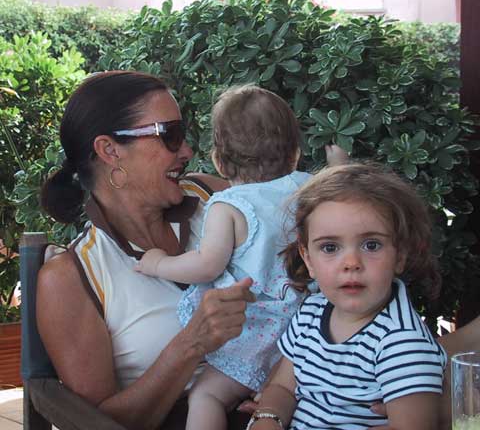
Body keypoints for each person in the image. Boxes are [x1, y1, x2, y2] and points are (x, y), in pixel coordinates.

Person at [37, 70, 255, 430]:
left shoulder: (215, 198)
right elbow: (96, 422)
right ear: (110, 151)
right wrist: (190, 344)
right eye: (170, 135)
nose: (187, 151)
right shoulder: (71, 278)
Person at [136, 85, 346, 430]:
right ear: (294, 153)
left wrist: (158, 263)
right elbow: (346, 193)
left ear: (219, 161)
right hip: (304, 335)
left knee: (206, 395)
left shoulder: (231, 206)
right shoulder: (309, 188)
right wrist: (339, 165)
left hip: (252, 337)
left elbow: (207, 265)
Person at [246, 163, 447, 430]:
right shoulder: (311, 312)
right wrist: (267, 419)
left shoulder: (403, 343)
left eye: (371, 245)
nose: (351, 262)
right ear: (308, 259)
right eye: (330, 247)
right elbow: (283, 387)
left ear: (400, 255)